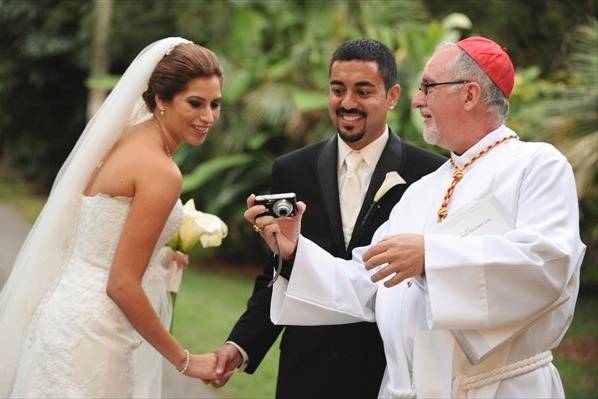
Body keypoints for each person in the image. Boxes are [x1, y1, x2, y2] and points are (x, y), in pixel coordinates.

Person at [246, 36, 586, 398]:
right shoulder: (422, 190)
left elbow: (548, 264)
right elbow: (368, 278)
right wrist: (296, 251)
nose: (416, 99)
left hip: (500, 387)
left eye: (427, 87)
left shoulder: (536, 165)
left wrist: (430, 258)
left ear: (469, 94)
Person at [209, 39, 445, 398]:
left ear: (393, 95)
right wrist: (239, 344)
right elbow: (277, 272)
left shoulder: (430, 174)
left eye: (363, 91)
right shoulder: (292, 169)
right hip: (306, 371)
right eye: (338, 90)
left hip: (386, 371)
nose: (347, 102)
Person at [0, 37, 226, 397]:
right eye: (195, 103)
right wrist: (185, 360)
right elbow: (121, 283)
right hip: (96, 335)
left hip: (61, 317)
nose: (208, 117)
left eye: (215, 104)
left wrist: (162, 256)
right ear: (161, 100)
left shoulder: (120, 138)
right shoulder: (162, 172)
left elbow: (97, 234)